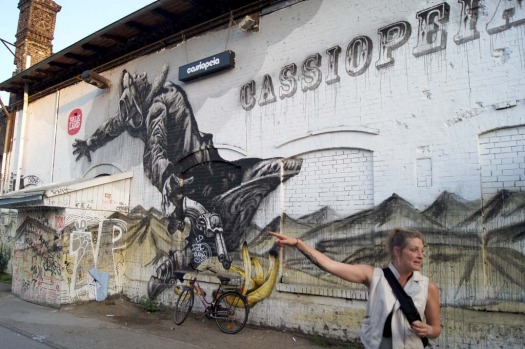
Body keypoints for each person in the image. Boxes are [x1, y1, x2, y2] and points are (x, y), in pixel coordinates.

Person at [269, 228, 441, 349]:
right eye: (414, 250)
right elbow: (330, 265)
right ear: (397, 251)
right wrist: (299, 244)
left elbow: (436, 328)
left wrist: (429, 330)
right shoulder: (375, 276)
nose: (420, 256)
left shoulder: (428, 286)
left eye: (422, 251)